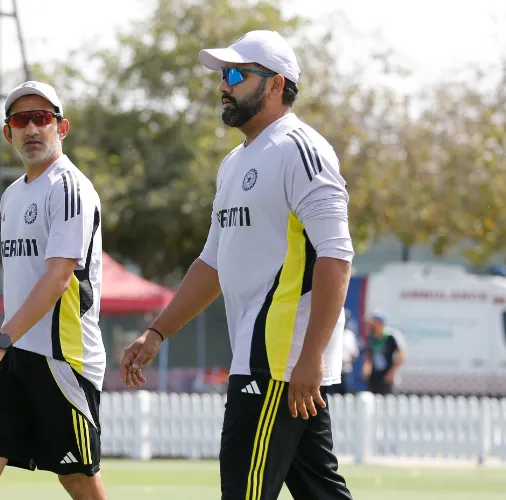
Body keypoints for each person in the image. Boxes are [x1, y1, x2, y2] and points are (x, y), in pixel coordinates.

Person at [120, 30, 354, 500]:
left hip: (278, 362)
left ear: (274, 85)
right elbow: (212, 262)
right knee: (320, 492)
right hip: (265, 359)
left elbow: (336, 256)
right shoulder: (233, 163)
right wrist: (157, 331)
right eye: (221, 76)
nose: (223, 86)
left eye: (234, 75)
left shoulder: (301, 150)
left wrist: (309, 358)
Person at [0, 80, 107, 500]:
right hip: (18, 353)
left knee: (78, 479)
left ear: (62, 127)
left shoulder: (70, 187)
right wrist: (8, 343)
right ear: (8, 133)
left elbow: (58, 279)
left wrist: (1, 339)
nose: (32, 129)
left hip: (63, 357)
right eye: (21, 120)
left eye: (42, 118)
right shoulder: (12, 195)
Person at [362, 311, 406, 395]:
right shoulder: (371, 336)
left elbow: (401, 356)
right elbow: (368, 355)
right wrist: (366, 369)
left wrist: (391, 373)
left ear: (380, 323)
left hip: (388, 376)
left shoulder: (392, 335)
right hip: (374, 376)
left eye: (373, 323)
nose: (371, 325)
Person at [327, 309, 359, 396]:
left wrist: (347, 361)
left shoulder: (349, 335)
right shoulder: (330, 333)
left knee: (346, 395)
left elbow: (354, 353)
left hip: (345, 371)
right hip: (331, 371)